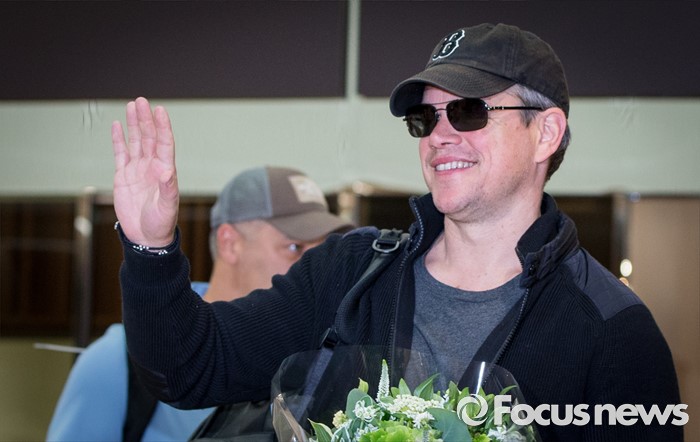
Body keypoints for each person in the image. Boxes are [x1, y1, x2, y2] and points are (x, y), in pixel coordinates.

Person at [110, 23, 682, 440]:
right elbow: (188, 368)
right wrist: (150, 247)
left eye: (469, 111)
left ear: (546, 133)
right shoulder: (350, 274)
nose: (439, 135)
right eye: (424, 118)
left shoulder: (612, 330)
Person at [47, 166, 353, 441]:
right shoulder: (118, 358)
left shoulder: (313, 357)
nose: (314, 266)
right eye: (295, 247)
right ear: (229, 243)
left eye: (322, 251)